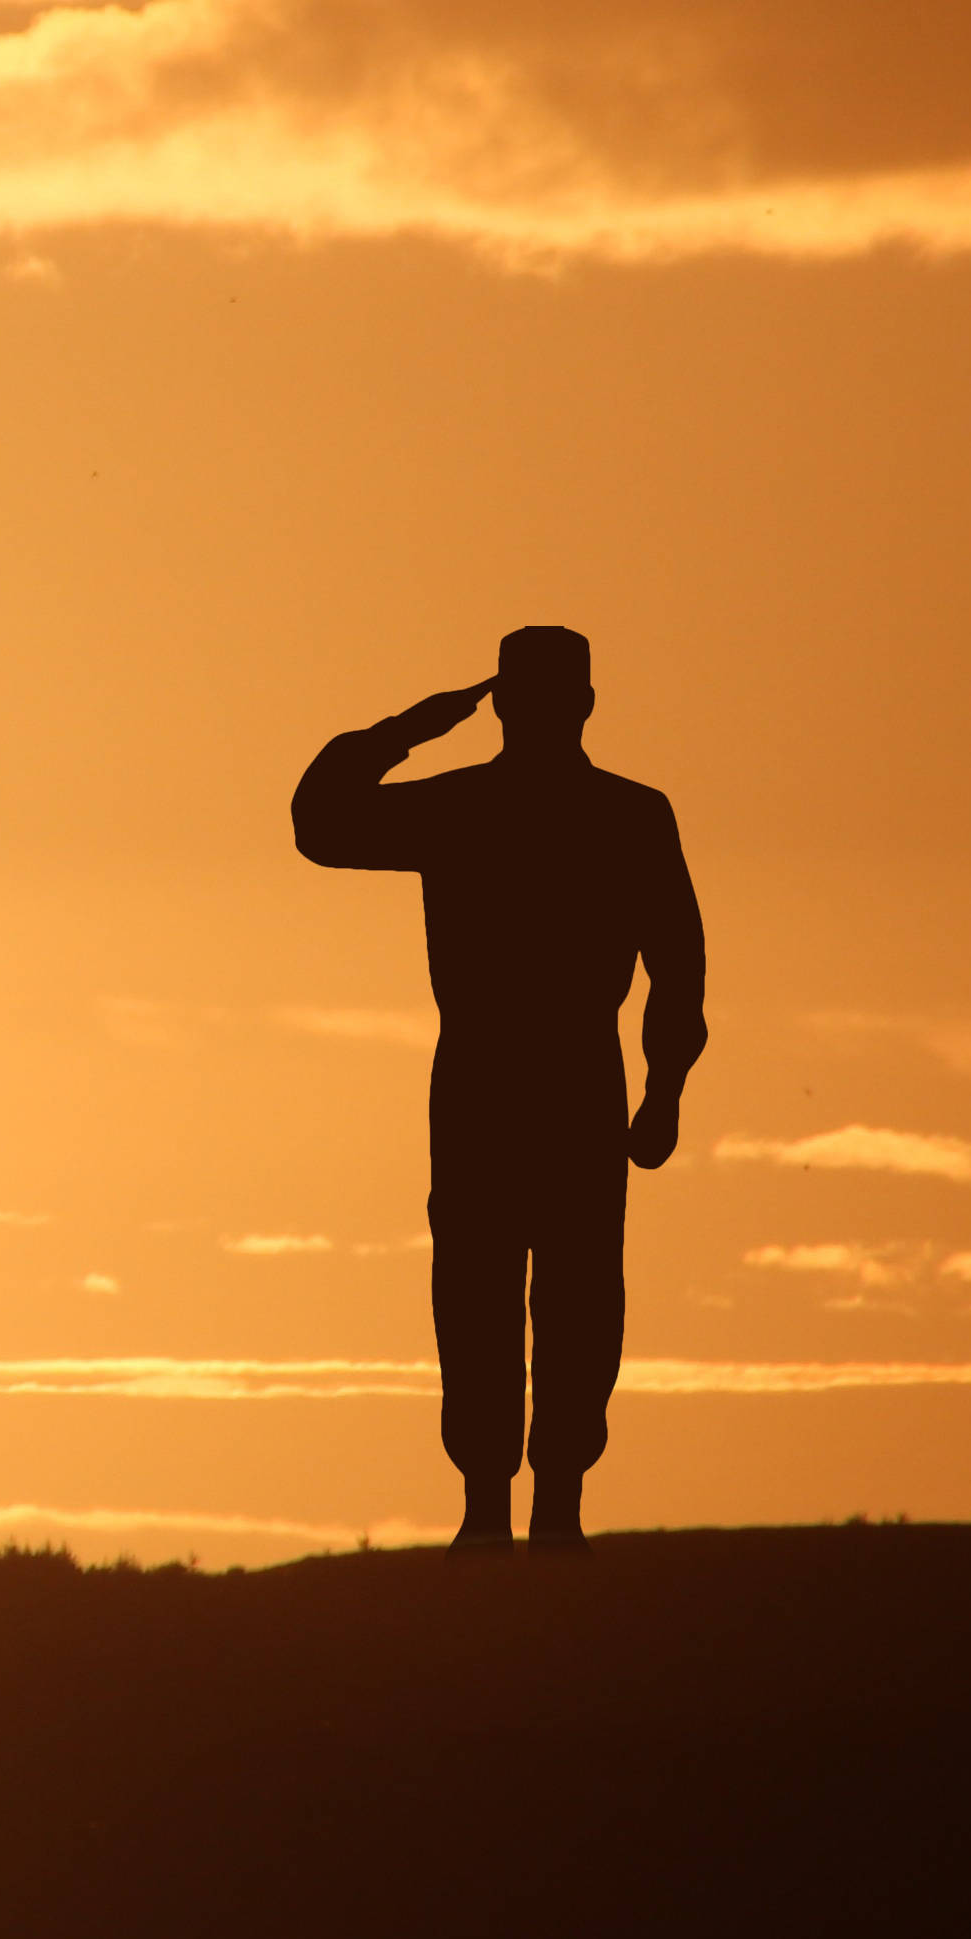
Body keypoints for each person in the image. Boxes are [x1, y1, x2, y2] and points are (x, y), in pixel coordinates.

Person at [292, 626, 705, 1549]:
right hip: (516, 1076)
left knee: (543, 1289)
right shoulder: (593, 814)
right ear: (582, 704)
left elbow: (678, 964)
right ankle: (507, 1503)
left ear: (510, 705)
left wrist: (410, 728)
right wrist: (663, 1087)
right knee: (521, 1288)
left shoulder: (509, 810)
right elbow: (317, 828)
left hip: (526, 1077)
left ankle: (537, 1501)